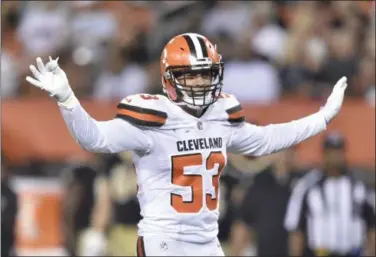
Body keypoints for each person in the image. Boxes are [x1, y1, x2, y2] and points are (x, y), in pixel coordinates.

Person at [26, 32, 347, 256]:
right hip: (164, 241)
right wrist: (67, 98)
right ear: (169, 78)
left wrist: (322, 118)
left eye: (206, 74)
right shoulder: (153, 119)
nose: (200, 82)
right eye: (190, 75)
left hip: (207, 242)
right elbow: (93, 138)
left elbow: (268, 140)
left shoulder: (221, 116)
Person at [284, 132, 376, 257]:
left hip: (353, 253)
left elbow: (371, 225)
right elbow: (296, 229)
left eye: (339, 152)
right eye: (331, 152)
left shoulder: (359, 186)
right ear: (324, 154)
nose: (335, 157)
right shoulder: (307, 186)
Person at [230, 147, 304, 256]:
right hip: (265, 251)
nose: (285, 157)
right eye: (282, 152)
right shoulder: (260, 183)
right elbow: (243, 222)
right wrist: (236, 253)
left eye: (290, 152)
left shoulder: (301, 184)